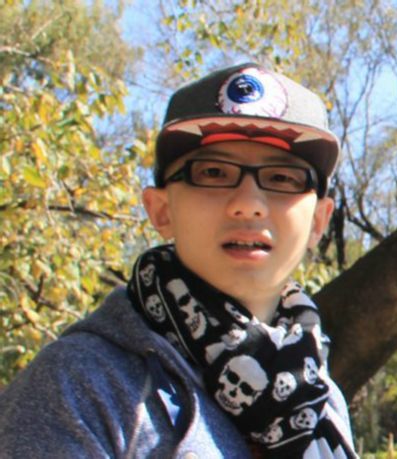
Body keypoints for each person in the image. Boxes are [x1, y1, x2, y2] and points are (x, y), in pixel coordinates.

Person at [0, 63, 357, 458]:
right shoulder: (79, 387)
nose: (248, 203)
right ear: (161, 210)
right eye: (213, 172)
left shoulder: (321, 399)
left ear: (319, 221)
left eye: (282, 178)